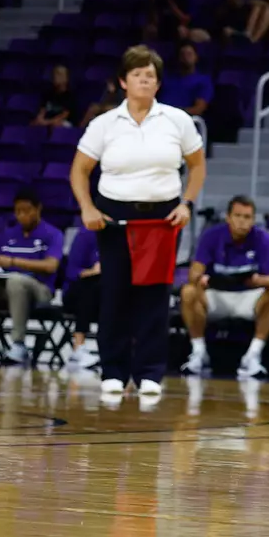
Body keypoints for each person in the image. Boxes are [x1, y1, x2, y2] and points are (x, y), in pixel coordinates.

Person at [68, 45, 206, 401]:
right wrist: (87, 208)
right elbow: (80, 170)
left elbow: (197, 165)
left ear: (158, 83)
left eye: (150, 76)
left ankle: (149, 373)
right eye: (137, 75)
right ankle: (113, 371)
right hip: (114, 217)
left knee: (154, 297)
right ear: (123, 81)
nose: (144, 81)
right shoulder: (104, 123)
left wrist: (187, 203)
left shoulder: (178, 120)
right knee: (114, 293)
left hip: (161, 219)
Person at [180, 196, 269, 379]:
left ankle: (252, 355)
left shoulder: (263, 238)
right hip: (216, 295)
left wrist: (257, 280)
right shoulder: (211, 236)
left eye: (247, 217)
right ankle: (198, 353)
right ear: (228, 217)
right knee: (188, 291)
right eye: (238, 216)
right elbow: (193, 273)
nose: (242, 221)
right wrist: (202, 277)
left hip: (249, 296)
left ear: (253, 220)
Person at [0, 191, 63, 365]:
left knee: (16, 280)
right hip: (7, 288)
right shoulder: (9, 234)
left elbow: (51, 266)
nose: (22, 215)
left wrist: (13, 261)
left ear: (38, 209)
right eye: (18, 211)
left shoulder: (53, 234)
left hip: (40, 290)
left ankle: (18, 344)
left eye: (26, 210)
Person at [62, 227, 102, 370]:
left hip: (106, 295)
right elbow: (71, 272)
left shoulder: (123, 235)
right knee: (90, 285)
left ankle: (122, 351)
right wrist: (92, 271)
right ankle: (78, 347)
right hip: (77, 293)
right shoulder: (86, 234)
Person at [159, 41, 213, 119]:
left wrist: (175, 113)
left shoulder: (203, 81)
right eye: (182, 54)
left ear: (196, 57)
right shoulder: (167, 77)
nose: (186, 57)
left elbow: (198, 109)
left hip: (184, 120)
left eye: (189, 54)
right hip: (159, 117)